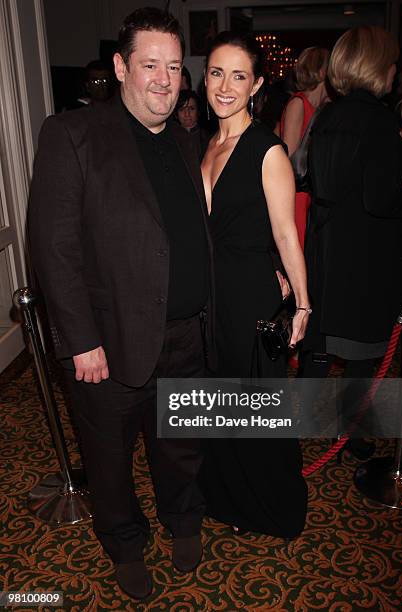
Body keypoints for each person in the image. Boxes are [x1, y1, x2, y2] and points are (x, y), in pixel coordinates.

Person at [28, 7, 215, 602]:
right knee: (108, 461)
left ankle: (182, 521)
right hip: (106, 345)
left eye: (172, 68)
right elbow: (53, 248)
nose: (163, 80)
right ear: (120, 67)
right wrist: (80, 338)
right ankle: (125, 543)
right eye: (148, 65)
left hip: (186, 335)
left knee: (180, 444)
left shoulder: (188, 141)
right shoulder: (72, 134)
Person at [199, 31, 310, 538]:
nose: (225, 85)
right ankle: (229, 498)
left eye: (238, 75)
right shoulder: (210, 142)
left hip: (249, 299)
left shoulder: (267, 151)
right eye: (216, 72)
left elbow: (286, 232)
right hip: (214, 298)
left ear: (257, 84)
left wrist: (303, 305)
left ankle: (272, 507)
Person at [300, 26, 402, 458]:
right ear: (380, 67)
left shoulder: (329, 115)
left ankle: (299, 423)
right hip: (366, 255)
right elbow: (382, 199)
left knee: (321, 345)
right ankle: (350, 435)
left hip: (328, 248)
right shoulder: (380, 121)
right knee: (364, 356)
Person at [280, 47, 329, 249]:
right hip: (297, 196)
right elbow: (289, 161)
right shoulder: (298, 104)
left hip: (313, 194)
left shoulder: (323, 107)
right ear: (320, 72)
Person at [174, 89, 209, 159]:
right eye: (182, 109)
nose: (187, 114)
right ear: (176, 114)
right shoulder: (170, 138)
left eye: (191, 108)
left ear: (198, 111)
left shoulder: (207, 138)